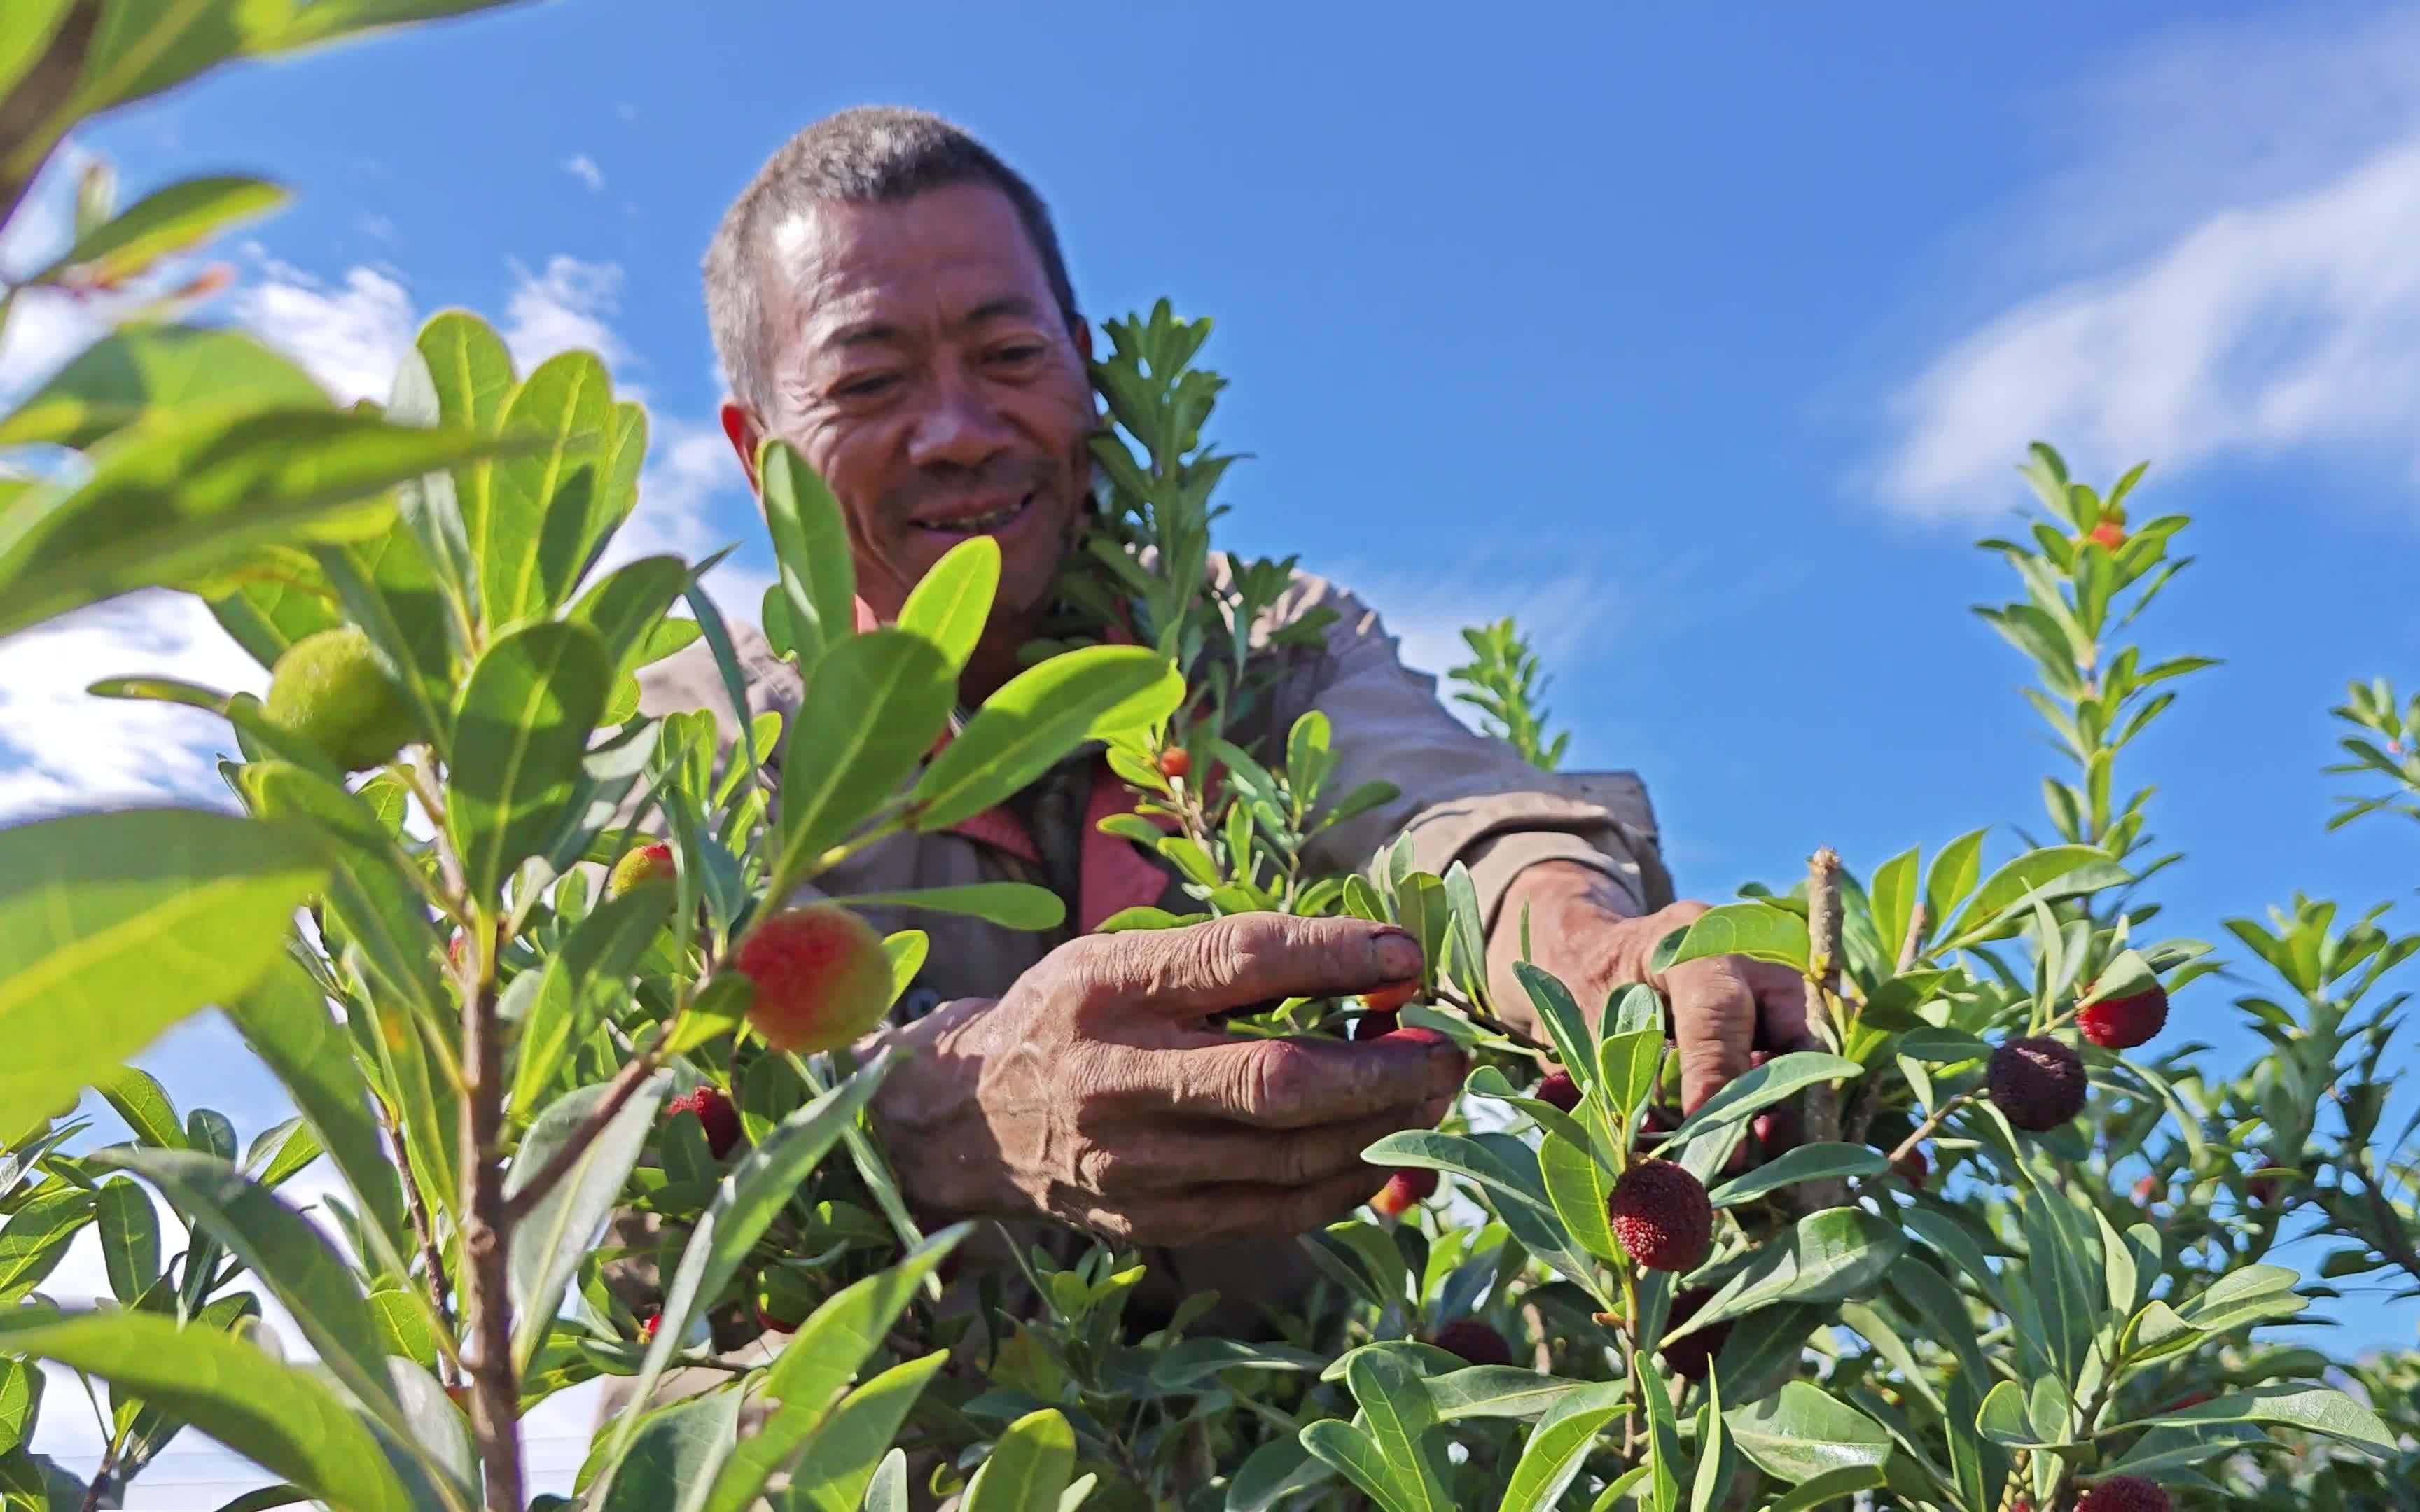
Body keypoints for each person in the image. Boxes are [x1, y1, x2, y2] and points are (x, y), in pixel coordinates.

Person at [631, 106, 1814, 1334]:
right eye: (870, 381)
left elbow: (1439, 804)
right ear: (757, 451)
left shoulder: (1261, 644)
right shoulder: (685, 755)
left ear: (1087, 369)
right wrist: (939, 1111)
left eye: (1010, 357)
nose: (960, 431)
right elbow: (601, 1163)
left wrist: (1576, 934)